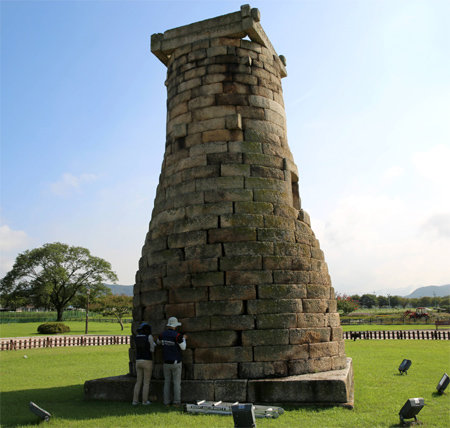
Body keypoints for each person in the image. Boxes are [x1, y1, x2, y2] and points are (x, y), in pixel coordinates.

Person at [157, 316, 187, 406]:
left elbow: (158, 342)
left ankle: (166, 402)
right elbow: (183, 347)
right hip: (176, 362)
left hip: (166, 362)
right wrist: (184, 338)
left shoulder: (162, 335)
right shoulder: (178, 336)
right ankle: (176, 402)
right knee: (176, 383)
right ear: (175, 326)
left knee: (167, 383)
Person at [132, 322, 156, 405]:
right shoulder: (149, 337)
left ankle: (135, 401)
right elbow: (152, 349)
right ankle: (144, 401)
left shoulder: (137, 337)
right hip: (147, 360)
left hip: (138, 360)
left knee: (138, 381)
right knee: (146, 382)